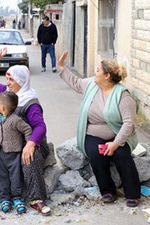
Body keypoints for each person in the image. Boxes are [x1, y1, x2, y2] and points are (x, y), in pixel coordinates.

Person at [0, 47, 51, 216]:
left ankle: (37, 199)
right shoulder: (7, 95)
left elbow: (40, 127)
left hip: (27, 140)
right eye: (6, 78)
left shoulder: (31, 102)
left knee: (30, 157)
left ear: (21, 81)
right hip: (3, 139)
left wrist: (31, 144)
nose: (7, 83)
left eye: (11, 79)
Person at [56, 51, 141, 207]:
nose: (94, 73)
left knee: (122, 155)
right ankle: (108, 191)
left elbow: (129, 124)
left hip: (118, 135)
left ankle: (133, 193)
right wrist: (62, 66)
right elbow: (75, 82)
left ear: (107, 76)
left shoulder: (122, 95)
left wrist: (115, 144)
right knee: (95, 154)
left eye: (97, 70)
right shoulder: (92, 84)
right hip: (93, 133)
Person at [0, 91, 31, 214]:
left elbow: (27, 129)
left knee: (15, 177)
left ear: (2, 107)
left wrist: (29, 143)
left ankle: (17, 199)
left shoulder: (15, 120)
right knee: (2, 177)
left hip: (14, 154)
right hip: (1, 153)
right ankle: (4, 199)